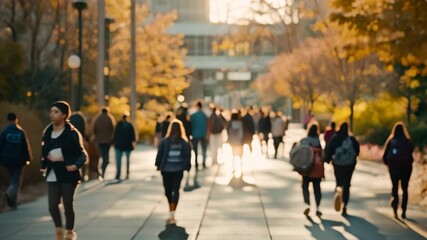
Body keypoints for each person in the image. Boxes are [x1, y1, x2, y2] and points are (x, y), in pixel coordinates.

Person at [40, 101, 87, 240]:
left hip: (68, 173)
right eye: (51, 111)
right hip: (53, 172)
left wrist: (73, 165)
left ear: (64, 115)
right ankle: (59, 230)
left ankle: (70, 232)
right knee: (52, 205)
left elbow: (82, 154)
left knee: (67, 204)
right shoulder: (47, 132)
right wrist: (44, 163)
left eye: (56, 112)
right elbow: (43, 151)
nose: (52, 114)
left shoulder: (72, 133)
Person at [155, 119, 191, 225]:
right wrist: (158, 164)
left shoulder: (183, 142)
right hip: (166, 169)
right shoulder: (165, 141)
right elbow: (160, 153)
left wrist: (186, 166)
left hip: (178, 170)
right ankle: (171, 207)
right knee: (167, 190)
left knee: (176, 190)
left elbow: (187, 155)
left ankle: (172, 210)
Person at [324, 122, 359, 216]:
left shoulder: (335, 138)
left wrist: (327, 159)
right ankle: (345, 204)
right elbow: (357, 151)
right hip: (349, 165)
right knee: (347, 184)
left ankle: (338, 196)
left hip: (338, 164)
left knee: (339, 182)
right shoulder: (351, 139)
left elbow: (329, 149)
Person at [0, 112, 32, 210]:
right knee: (16, 180)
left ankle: (12, 204)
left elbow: (0, 145)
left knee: (12, 179)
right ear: (16, 119)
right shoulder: (21, 132)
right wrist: (28, 158)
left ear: (8, 120)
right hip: (19, 160)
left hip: (6, 160)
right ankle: (9, 193)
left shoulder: (4, 132)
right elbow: (25, 147)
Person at [382, 122, 415, 219]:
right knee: (405, 189)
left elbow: (385, 157)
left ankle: (395, 208)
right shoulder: (408, 142)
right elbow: (412, 151)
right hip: (406, 168)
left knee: (395, 188)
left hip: (394, 168)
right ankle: (404, 211)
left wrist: (389, 165)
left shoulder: (391, 141)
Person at [299, 122, 324, 217]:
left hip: (306, 169)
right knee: (317, 188)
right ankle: (317, 207)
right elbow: (323, 156)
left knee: (305, 187)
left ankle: (307, 204)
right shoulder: (318, 142)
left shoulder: (305, 141)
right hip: (317, 169)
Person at [93, 108, 116, 179]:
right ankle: (103, 172)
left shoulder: (98, 118)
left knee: (99, 156)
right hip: (107, 141)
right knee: (106, 158)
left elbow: (94, 130)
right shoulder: (110, 118)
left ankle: (98, 172)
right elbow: (113, 130)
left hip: (99, 141)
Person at [113, 114, 136, 181]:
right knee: (119, 161)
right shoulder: (120, 125)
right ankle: (118, 174)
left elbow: (133, 136)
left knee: (125, 160)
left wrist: (133, 143)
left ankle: (126, 173)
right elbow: (115, 134)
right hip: (120, 145)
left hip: (126, 145)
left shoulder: (128, 125)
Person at [190, 101, 208, 169]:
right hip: (203, 134)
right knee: (204, 149)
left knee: (196, 150)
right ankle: (203, 162)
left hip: (195, 134)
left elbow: (191, 125)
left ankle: (196, 162)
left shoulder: (193, 115)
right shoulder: (204, 115)